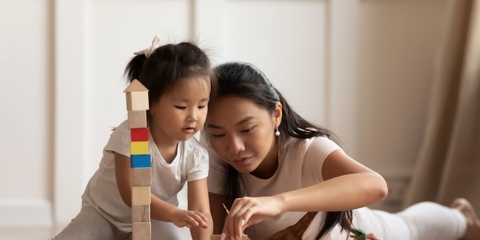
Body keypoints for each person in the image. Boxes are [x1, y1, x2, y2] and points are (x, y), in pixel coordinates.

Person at [202, 62, 480, 240]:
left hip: (359, 229)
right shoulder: (215, 160)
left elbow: (375, 185)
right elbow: (215, 231)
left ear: (276, 114)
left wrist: (278, 202)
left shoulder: (306, 150)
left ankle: (462, 219)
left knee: (410, 227)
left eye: (247, 129)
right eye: (218, 133)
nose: (234, 146)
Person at [53, 36, 216, 240]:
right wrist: (174, 213)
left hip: (155, 218)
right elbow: (132, 192)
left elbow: (201, 210)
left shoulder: (196, 155)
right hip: (103, 215)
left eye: (202, 106)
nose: (194, 116)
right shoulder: (135, 136)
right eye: (181, 107)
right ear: (152, 104)